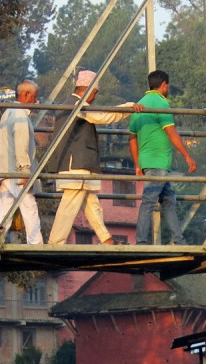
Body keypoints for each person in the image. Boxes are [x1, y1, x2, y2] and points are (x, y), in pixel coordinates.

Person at [46, 69, 144, 244]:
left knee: (92, 204)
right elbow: (102, 117)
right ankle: (56, 242)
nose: (95, 97)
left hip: (79, 163)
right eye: (95, 92)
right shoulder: (76, 104)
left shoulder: (73, 104)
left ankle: (106, 238)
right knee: (70, 204)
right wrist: (127, 108)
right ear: (87, 89)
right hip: (75, 164)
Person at [130, 69, 196, 245]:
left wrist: (137, 163)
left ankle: (178, 240)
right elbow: (171, 132)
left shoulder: (139, 105)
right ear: (164, 84)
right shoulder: (161, 103)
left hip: (147, 161)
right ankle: (141, 242)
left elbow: (132, 138)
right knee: (149, 200)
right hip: (158, 160)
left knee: (168, 200)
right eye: (168, 85)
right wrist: (187, 156)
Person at [0, 79, 43, 243]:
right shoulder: (20, 116)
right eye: (34, 97)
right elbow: (21, 145)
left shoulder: (7, 113)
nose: (35, 102)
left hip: (5, 171)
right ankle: (36, 244)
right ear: (26, 95)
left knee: (4, 211)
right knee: (29, 207)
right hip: (17, 172)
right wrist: (25, 172)